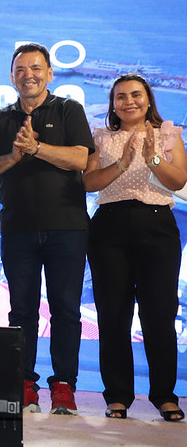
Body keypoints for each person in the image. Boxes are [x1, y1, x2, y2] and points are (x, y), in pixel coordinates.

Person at [0, 42, 93, 416]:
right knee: (21, 311)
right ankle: (24, 383)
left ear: (49, 74)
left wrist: (37, 148)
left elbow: (81, 158)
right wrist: (14, 155)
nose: (29, 75)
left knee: (66, 310)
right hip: (18, 230)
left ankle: (64, 386)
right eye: (21, 69)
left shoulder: (68, 110)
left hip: (68, 228)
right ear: (12, 76)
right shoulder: (1, 119)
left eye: (36, 68)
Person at [82, 74, 186, 422]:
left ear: (148, 99)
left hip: (157, 227)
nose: (129, 101)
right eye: (121, 96)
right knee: (113, 315)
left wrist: (152, 158)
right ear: (112, 103)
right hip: (109, 228)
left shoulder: (169, 134)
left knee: (159, 315)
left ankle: (165, 396)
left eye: (136, 95)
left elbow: (178, 181)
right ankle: (117, 396)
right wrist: (124, 162)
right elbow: (88, 183)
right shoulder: (100, 136)